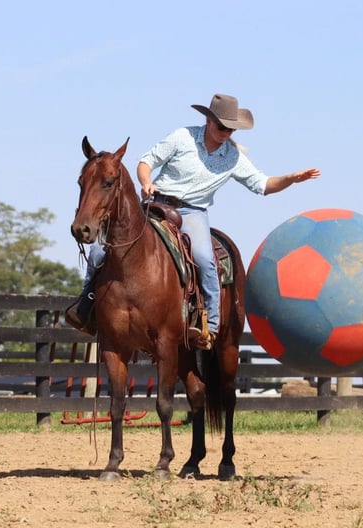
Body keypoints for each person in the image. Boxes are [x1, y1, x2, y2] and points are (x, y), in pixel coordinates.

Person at [66, 93, 320, 348]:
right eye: (221, 126)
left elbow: (263, 185)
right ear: (209, 121)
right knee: (101, 248)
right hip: (157, 203)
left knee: (204, 259)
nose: (225, 132)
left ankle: (208, 326)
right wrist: (146, 182)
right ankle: (86, 304)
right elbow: (146, 161)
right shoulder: (182, 137)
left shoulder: (233, 158)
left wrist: (291, 178)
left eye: (230, 129)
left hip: (192, 212)